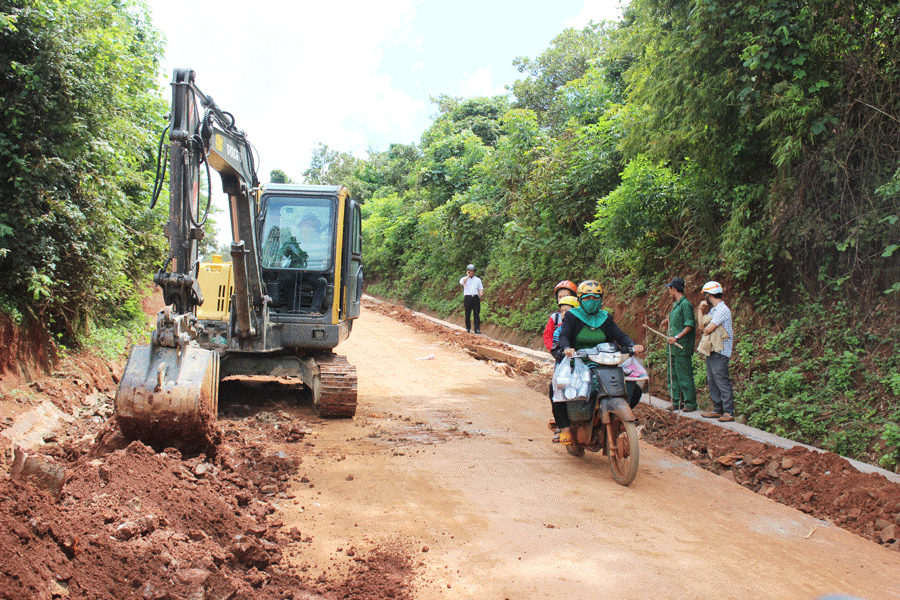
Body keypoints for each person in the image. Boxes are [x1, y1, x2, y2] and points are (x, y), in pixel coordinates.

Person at [555, 280, 645, 445]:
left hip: (605, 363)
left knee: (634, 389)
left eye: (596, 298)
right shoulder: (572, 317)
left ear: (601, 299)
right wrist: (567, 348)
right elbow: (564, 336)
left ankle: (617, 418)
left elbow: (620, 336)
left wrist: (632, 345)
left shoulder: (605, 318)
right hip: (580, 363)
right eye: (588, 298)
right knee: (558, 388)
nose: (592, 301)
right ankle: (565, 427)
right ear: (580, 299)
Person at [544, 289, 579, 443]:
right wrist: (560, 353)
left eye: (568, 311)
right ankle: (563, 426)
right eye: (562, 311)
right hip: (565, 365)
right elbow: (554, 343)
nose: (564, 314)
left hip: (583, 364)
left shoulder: (583, 326)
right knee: (556, 388)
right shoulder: (559, 328)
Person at [697, 281, 736, 422]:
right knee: (712, 380)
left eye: (705, 295)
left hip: (721, 351)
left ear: (708, 295)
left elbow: (707, 329)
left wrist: (702, 316)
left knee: (721, 380)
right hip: (712, 350)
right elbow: (702, 326)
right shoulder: (713, 310)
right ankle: (717, 409)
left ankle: (728, 412)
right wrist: (700, 311)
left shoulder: (722, 310)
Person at [659, 277, 697, 412]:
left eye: (669, 289)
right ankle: (676, 401)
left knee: (684, 375)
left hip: (682, 347)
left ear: (674, 289)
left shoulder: (686, 304)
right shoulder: (676, 305)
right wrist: (667, 321)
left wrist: (676, 337)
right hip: (672, 348)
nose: (669, 291)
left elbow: (689, 325)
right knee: (673, 375)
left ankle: (690, 403)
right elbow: (677, 321)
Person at [542, 280, 578, 354]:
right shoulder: (555, 318)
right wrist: (553, 349)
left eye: (566, 296)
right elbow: (547, 336)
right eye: (560, 297)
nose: (563, 298)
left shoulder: (580, 318)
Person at [459, 264, 484, 334]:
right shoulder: (464, 279)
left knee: (476, 313)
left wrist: (481, 292)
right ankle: (468, 328)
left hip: (475, 297)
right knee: (467, 313)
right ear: (467, 271)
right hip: (468, 297)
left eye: (472, 271)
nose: (471, 272)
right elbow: (461, 282)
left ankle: (477, 329)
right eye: (470, 271)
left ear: (474, 271)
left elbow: (481, 288)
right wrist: (468, 276)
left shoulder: (478, 279)